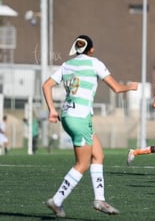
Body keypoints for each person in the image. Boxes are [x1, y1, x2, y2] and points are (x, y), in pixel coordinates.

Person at [42, 35, 138, 217]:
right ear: (91, 49)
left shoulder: (66, 65)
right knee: (82, 164)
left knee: (98, 154)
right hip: (80, 117)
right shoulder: (95, 63)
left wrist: (52, 110)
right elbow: (116, 88)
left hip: (68, 115)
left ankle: (99, 200)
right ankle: (57, 200)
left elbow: (46, 85)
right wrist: (131, 86)